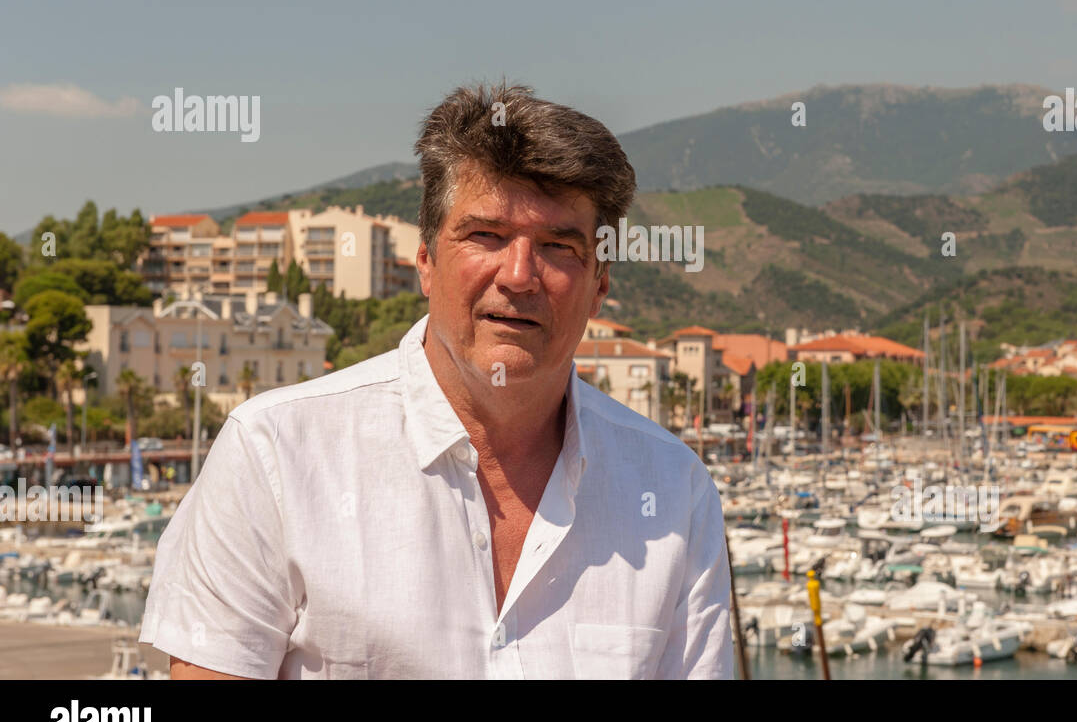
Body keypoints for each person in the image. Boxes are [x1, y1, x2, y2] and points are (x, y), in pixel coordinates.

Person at [139, 82, 734, 679]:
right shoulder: (274, 455)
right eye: (486, 236)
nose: (520, 275)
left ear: (600, 284)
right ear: (425, 259)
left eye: (558, 246)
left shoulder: (674, 492)